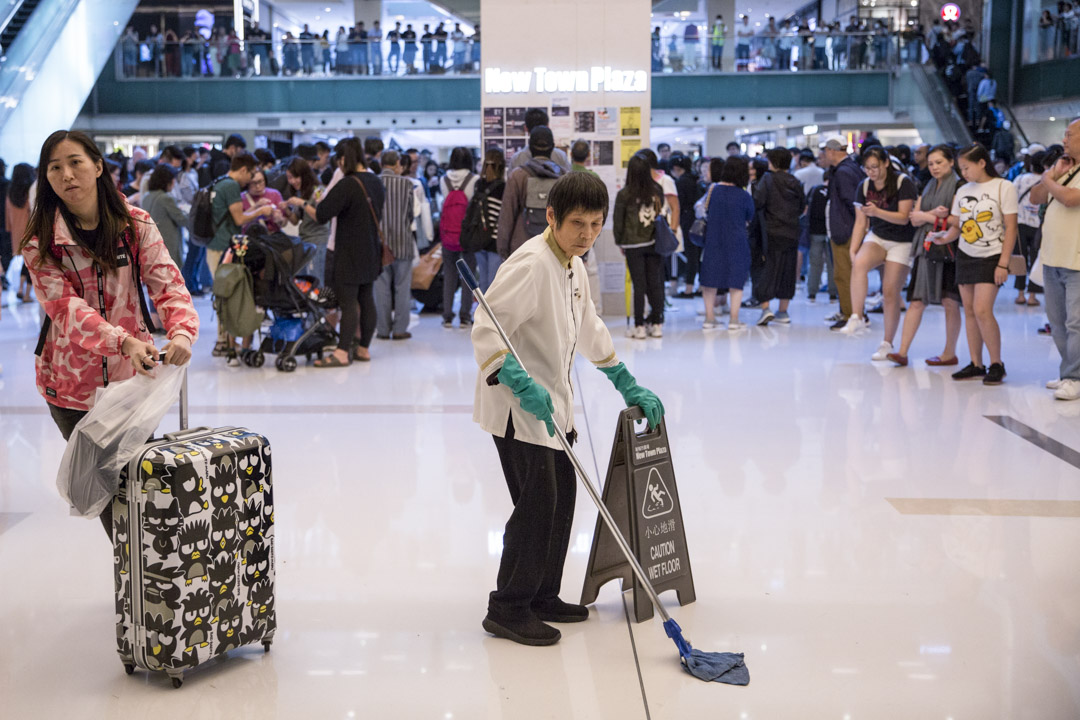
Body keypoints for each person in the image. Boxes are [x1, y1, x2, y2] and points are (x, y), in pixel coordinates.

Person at [470, 171, 664, 647]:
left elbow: (589, 323)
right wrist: (516, 378)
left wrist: (623, 379)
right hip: (518, 408)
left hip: (554, 405)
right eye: (578, 223)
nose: (588, 234)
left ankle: (542, 595)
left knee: (562, 505)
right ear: (552, 217)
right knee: (537, 507)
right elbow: (486, 327)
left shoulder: (573, 264)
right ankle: (508, 607)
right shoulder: (532, 264)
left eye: (597, 224)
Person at [19, 130, 198, 538]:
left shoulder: (135, 224)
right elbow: (65, 310)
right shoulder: (40, 241)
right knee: (102, 497)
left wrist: (182, 333)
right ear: (46, 179)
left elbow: (167, 284)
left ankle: (149, 585)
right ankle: (136, 587)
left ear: (98, 166)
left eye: (76, 162)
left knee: (141, 490)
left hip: (132, 383)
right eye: (55, 168)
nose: (67, 175)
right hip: (69, 387)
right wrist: (123, 341)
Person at [934, 144, 1018, 385]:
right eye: (961, 169)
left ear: (982, 163)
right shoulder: (962, 190)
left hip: (992, 255)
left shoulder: (1004, 186)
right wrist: (942, 237)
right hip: (965, 255)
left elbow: (1011, 228)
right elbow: (959, 227)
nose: (964, 173)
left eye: (967, 167)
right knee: (969, 310)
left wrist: (1003, 264)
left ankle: (996, 363)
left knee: (982, 309)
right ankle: (976, 363)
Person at [839, 147, 917, 361]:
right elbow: (861, 221)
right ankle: (857, 316)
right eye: (867, 168)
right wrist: (853, 249)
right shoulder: (864, 186)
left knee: (890, 292)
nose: (871, 172)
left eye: (875, 167)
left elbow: (903, 217)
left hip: (902, 241)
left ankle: (887, 343)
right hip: (879, 236)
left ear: (885, 163)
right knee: (859, 263)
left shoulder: (903, 182)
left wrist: (877, 212)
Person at [889, 144, 963, 367]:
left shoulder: (960, 187)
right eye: (931, 163)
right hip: (926, 247)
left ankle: (949, 352)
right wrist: (933, 215)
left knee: (950, 301)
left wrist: (926, 217)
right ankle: (902, 351)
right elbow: (914, 218)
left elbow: (957, 220)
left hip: (950, 248)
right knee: (917, 299)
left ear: (951, 162)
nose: (934, 167)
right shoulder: (929, 185)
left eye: (939, 162)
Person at [314, 138, 384, 366]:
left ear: (344, 159)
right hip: (371, 251)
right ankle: (363, 349)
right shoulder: (375, 181)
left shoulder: (347, 184)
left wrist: (310, 205)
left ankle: (342, 353)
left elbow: (323, 212)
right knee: (367, 299)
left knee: (348, 303)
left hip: (348, 254)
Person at [1030, 117, 1080, 399]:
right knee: (1057, 321)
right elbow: (1036, 198)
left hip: (1076, 260)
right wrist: (1053, 176)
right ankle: (1069, 373)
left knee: (1076, 323)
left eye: (1069, 135)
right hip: (1051, 258)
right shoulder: (1063, 170)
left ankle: (1074, 376)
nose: (1064, 140)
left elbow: (1070, 199)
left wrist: (1050, 180)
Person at [208, 152, 274, 356]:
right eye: (251, 173)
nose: (251, 179)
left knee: (223, 292)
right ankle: (224, 342)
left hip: (215, 245)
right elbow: (239, 219)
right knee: (227, 293)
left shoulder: (219, 182)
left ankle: (224, 340)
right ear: (243, 169)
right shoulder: (231, 186)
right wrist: (261, 211)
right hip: (223, 248)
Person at [699, 157, 755, 330]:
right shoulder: (744, 195)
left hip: (713, 240)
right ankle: (734, 319)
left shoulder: (713, 190)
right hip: (737, 241)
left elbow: (702, 209)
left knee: (710, 280)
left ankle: (709, 318)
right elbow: (749, 217)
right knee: (736, 281)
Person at [613, 155, 665, 338]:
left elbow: (618, 221)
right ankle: (657, 323)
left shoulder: (625, 194)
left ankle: (639, 326)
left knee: (639, 285)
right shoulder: (657, 190)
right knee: (655, 283)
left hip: (633, 245)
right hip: (654, 243)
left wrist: (620, 241)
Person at [753, 148, 805, 325]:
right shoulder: (795, 181)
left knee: (767, 268)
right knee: (787, 271)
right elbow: (801, 207)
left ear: (772, 162)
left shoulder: (768, 179)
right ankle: (783, 311)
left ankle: (765, 308)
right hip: (792, 232)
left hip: (771, 231)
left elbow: (758, 201)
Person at [498, 126, 565, 259]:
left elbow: (507, 216)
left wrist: (503, 250)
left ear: (529, 147)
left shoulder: (518, 175)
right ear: (552, 147)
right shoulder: (564, 178)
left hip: (522, 248)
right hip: (555, 248)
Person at [821, 135, 866, 330]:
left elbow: (851, 204)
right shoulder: (851, 168)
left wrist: (854, 228)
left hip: (845, 230)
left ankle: (851, 315)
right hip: (848, 228)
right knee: (848, 273)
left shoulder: (843, 172)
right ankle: (852, 311)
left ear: (832, 150)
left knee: (844, 274)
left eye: (825, 151)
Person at [371, 150, 417, 340]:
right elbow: (410, 214)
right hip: (403, 241)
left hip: (379, 244)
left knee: (381, 288)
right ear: (398, 163)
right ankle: (399, 329)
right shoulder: (406, 183)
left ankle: (382, 329)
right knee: (402, 287)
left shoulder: (373, 183)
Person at [439, 147, 480, 329]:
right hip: (467, 234)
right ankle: (465, 316)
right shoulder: (474, 180)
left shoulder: (443, 179)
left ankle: (447, 316)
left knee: (449, 273)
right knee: (468, 275)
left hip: (448, 232)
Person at [1012, 151, 1046, 306]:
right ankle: (1032, 296)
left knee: (1021, 258)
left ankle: (1020, 294)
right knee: (1035, 259)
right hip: (1040, 226)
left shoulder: (1020, 179)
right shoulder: (1048, 181)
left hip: (1020, 223)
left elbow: (1011, 199)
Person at [140, 165, 189, 267]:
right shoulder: (166, 198)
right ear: (167, 181)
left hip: (151, 245)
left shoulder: (146, 196)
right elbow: (182, 220)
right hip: (168, 246)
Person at [473, 149, 507, 292]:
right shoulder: (503, 187)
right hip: (494, 239)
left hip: (479, 237)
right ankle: (489, 314)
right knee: (493, 284)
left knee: (483, 281)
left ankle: (481, 312)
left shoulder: (478, 184)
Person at [7, 163, 35, 302]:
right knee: (34, 263)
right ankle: (26, 294)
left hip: (17, 234)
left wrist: (10, 230)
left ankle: (20, 288)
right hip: (31, 232)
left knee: (27, 262)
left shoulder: (10, 192)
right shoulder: (30, 191)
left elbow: (8, 216)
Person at [805, 178, 833, 304]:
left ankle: (812, 293)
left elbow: (806, 208)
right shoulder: (835, 190)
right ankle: (833, 294)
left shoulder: (815, 190)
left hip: (815, 230)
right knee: (832, 263)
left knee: (815, 263)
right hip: (832, 231)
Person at [240, 169, 285, 233]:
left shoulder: (275, 194)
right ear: (247, 184)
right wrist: (256, 207)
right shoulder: (241, 198)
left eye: (260, 181)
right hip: (250, 237)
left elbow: (283, 223)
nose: (258, 186)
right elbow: (239, 223)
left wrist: (279, 220)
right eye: (253, 183)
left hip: (272, 237)